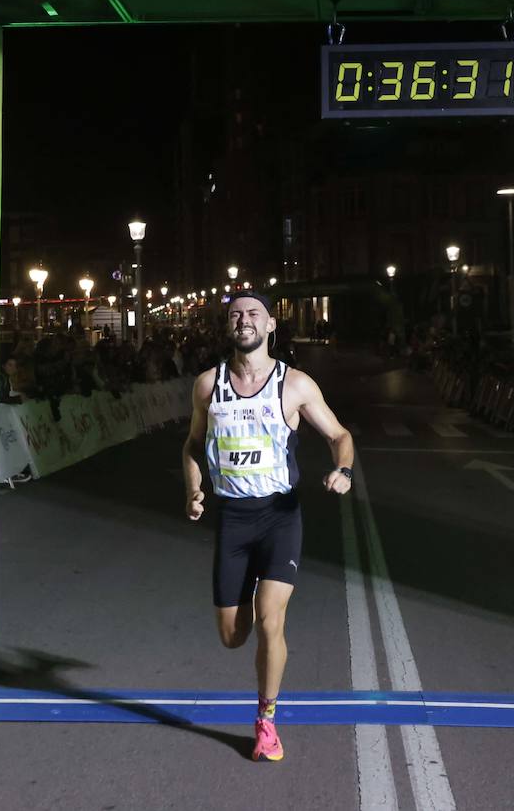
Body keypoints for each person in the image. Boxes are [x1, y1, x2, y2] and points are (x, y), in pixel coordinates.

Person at [181, 290, 353, 763]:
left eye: (253, 313)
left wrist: (343, 470)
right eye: (236, 315)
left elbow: (340, 435)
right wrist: (193, 490)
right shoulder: (206, 385)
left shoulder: (294, 384)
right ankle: (252, 609)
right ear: (227, 327)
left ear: (270, 325)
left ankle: (266, 721)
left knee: (271, 620)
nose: (244, 320)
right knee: (233, 636)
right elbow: (193, 446)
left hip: (279, 515)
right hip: (232, 519)